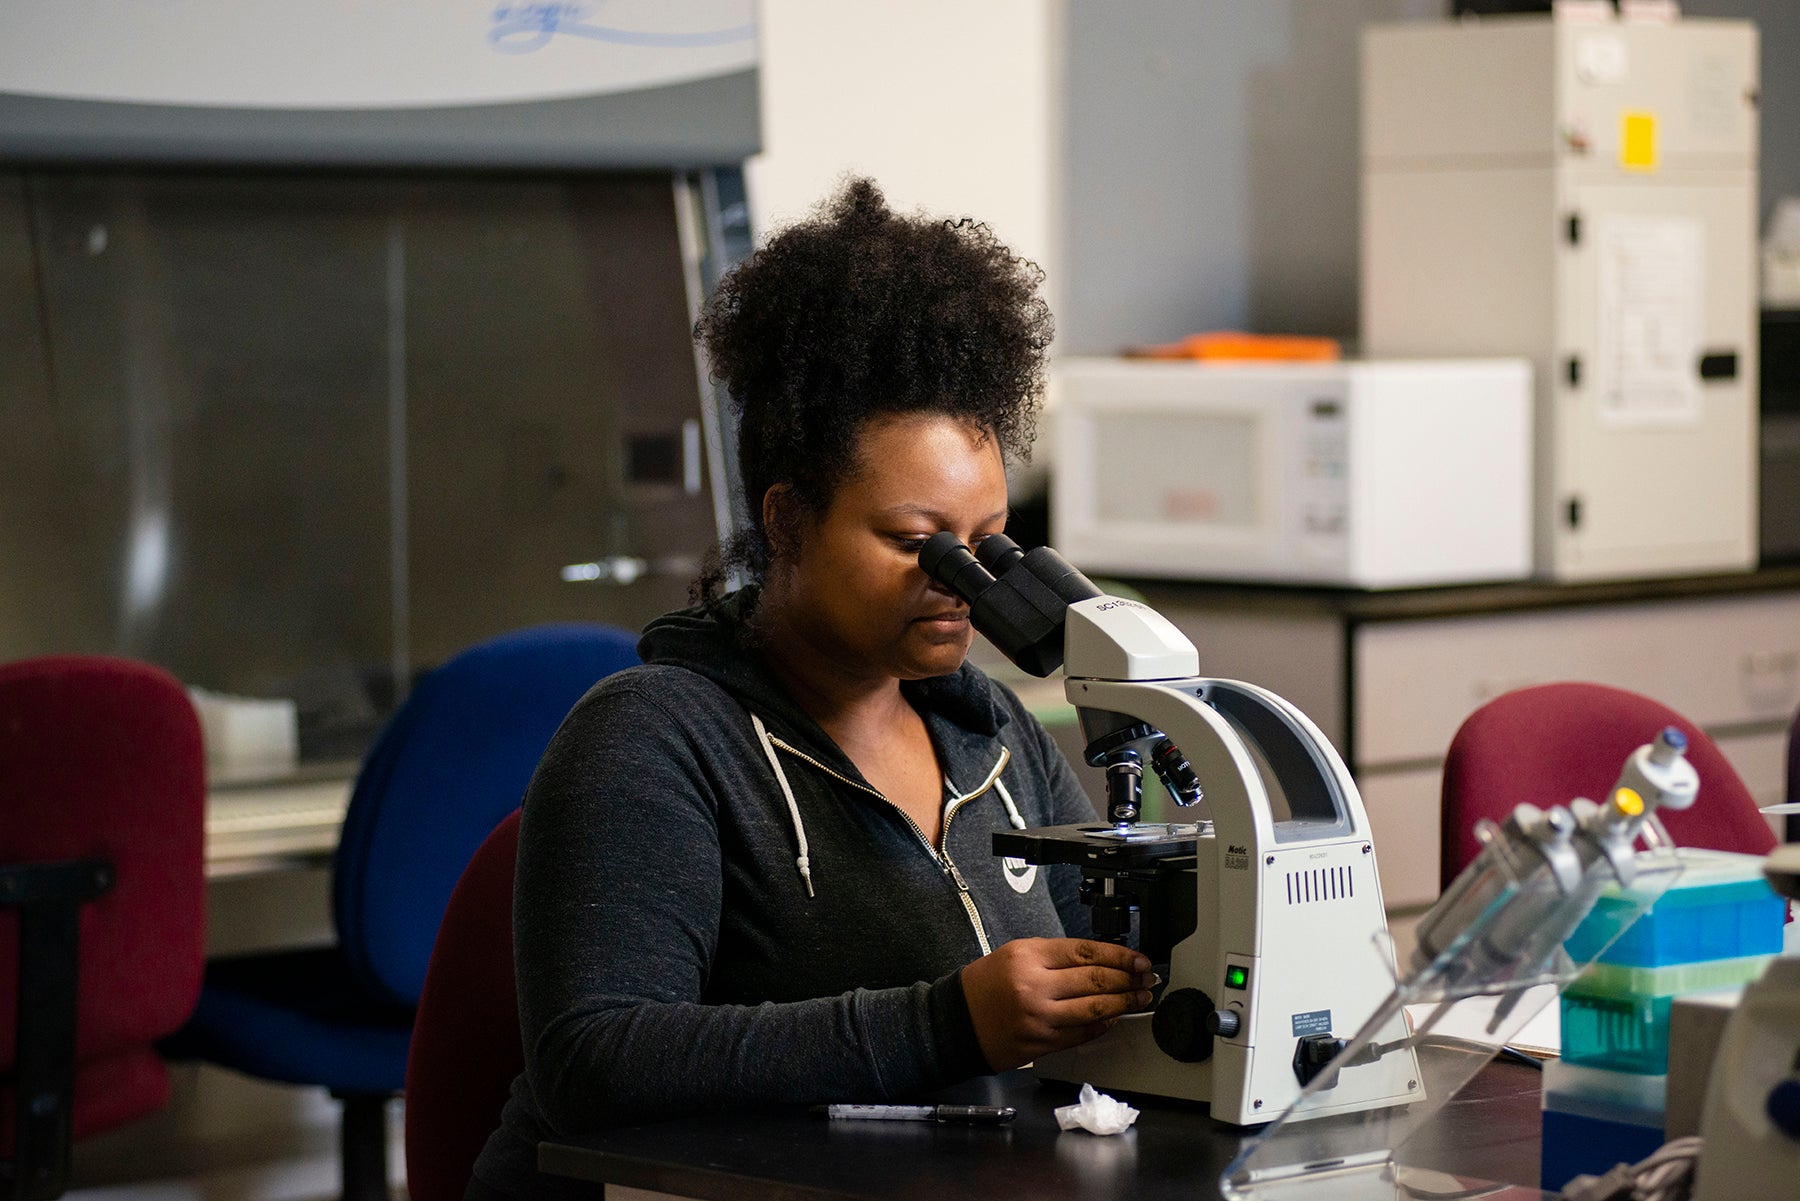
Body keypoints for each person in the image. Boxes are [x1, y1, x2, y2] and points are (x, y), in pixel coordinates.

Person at [469, 178, 1154, 1200]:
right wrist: (944, 1020)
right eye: (916, 542)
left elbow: (1109, 976)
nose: (959, 583)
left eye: (984, 545)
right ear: (787, 520)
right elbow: (593, 1061)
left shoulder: (991, 731)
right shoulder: (653, 737)